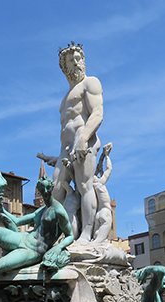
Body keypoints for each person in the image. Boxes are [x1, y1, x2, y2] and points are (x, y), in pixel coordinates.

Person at [50, 42, 104, 243]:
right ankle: (64, 235)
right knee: (56, 190)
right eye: (71, 60)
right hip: (65, 148)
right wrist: (57, 156)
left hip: (84, 140)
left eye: (79, 59)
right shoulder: (65, 99)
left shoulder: (90, 83)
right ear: (64, 67)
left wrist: (83, 138)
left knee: (84, 186)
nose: (76, 62)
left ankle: (86, 235)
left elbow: (97, 113)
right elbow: (65, 128)